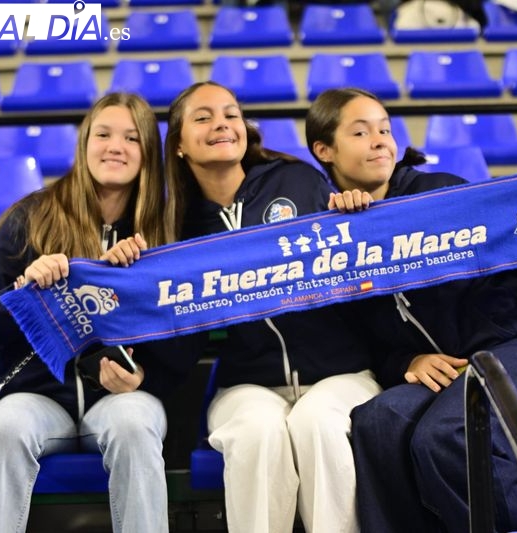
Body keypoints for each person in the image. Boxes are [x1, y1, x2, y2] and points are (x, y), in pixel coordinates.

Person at [304, 87, 517, 533]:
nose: (380, 141)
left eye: (385, 129)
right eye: (361, 132)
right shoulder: (333, 236)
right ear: (324, 150)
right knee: (377, 421)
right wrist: (407, 360)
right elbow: (361, 336)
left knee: (449, 435)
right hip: (454, 374)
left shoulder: (442, 191)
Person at [161, 81, 382, 533]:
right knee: (256, 433)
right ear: (179, 145)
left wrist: (356, 213)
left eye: (231, 114)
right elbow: (177, 331)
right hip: (247, 383)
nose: (222, 123)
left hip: (341, 374)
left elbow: (358, 261)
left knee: (316, 422)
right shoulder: (175, 223)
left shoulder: (295, 180)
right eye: (203, 118)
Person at [0, 92, 187, 533]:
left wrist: (144, 378)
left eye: (131, 137)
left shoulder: (167, 227)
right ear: (85, 144)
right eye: (102, 134)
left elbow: (186, 338)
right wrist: (23, 290)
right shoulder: (33, 216)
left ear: (149, 153)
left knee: (135, 424)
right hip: (39, 399)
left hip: (121, 399)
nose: (115, 147)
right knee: (5, 426)